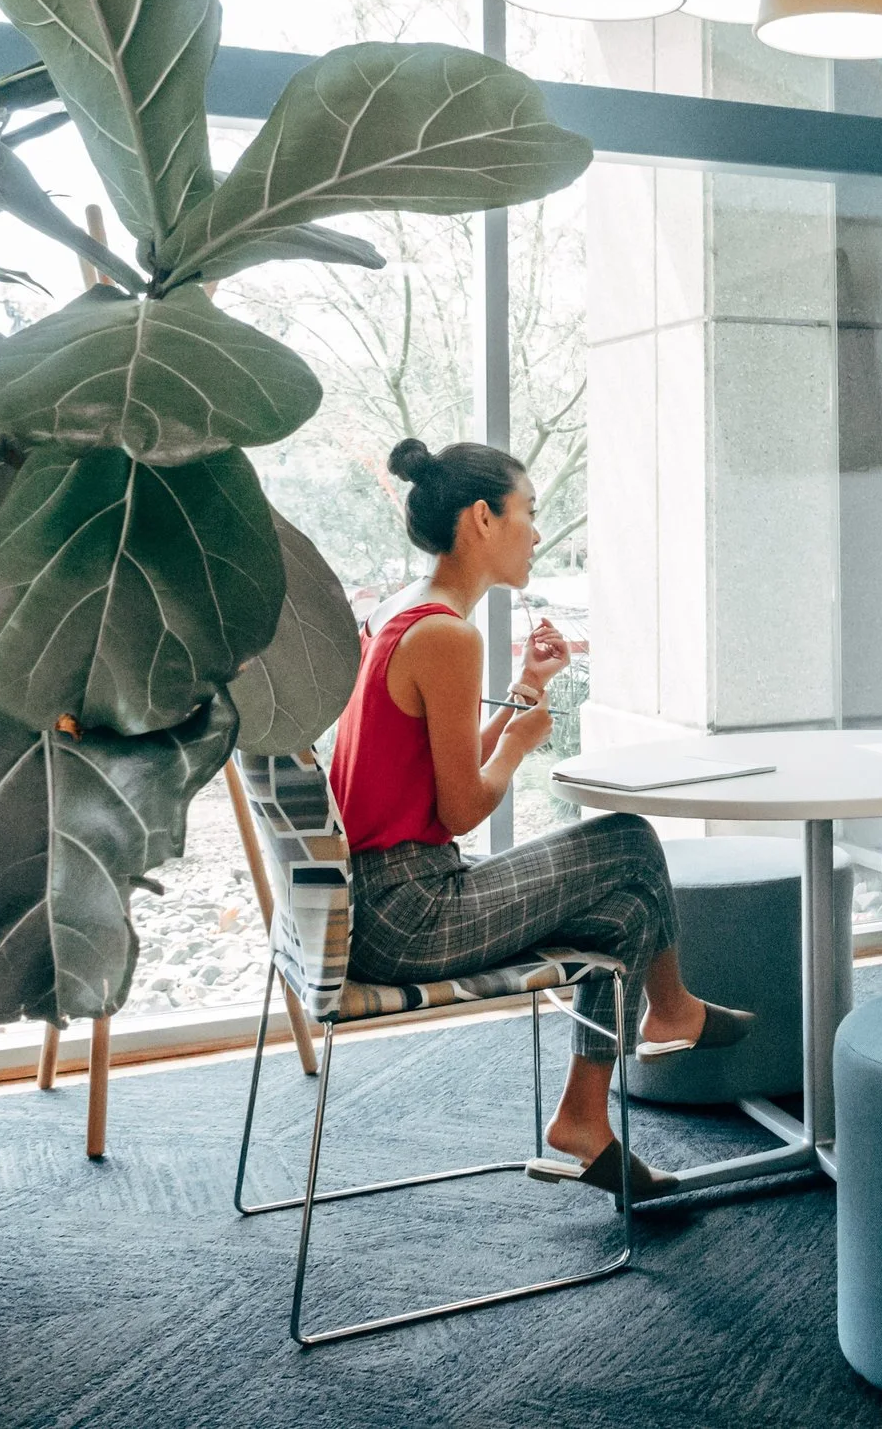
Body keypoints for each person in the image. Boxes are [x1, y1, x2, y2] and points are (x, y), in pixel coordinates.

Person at [332, 437, 752, 1205]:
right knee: (628, 838)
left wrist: (522, 698)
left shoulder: (406, 616)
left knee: (625, 905)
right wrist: (523, 742)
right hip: (410, 912)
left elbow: (428, 782)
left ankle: (583, 1117)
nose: (536, 532)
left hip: (385, 898)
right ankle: (672, 1008)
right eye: (529, 513)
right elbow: (463, 807)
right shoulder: (447, 636)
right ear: (484, 518)